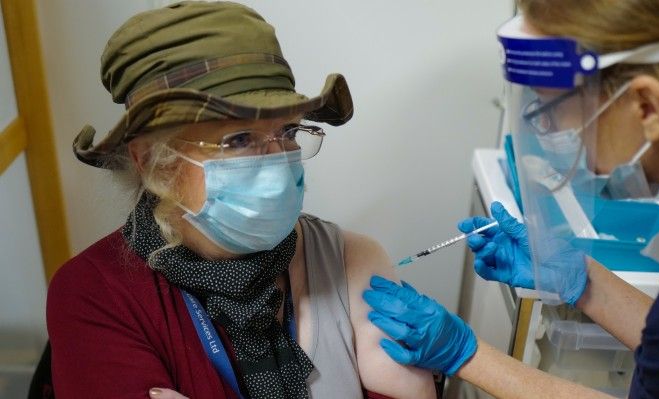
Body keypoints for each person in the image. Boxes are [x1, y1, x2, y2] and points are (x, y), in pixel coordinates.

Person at [46, 2, 435, 398]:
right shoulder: (94, 293)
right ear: (153, 164)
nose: (276, 161)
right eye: (239, 140)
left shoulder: (350, 259)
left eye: (285, 131)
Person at [364, 1, 659, 398]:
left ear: (646, 106)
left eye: (555, 107)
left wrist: (466, 354)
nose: (547, 128)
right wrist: (582, 280)